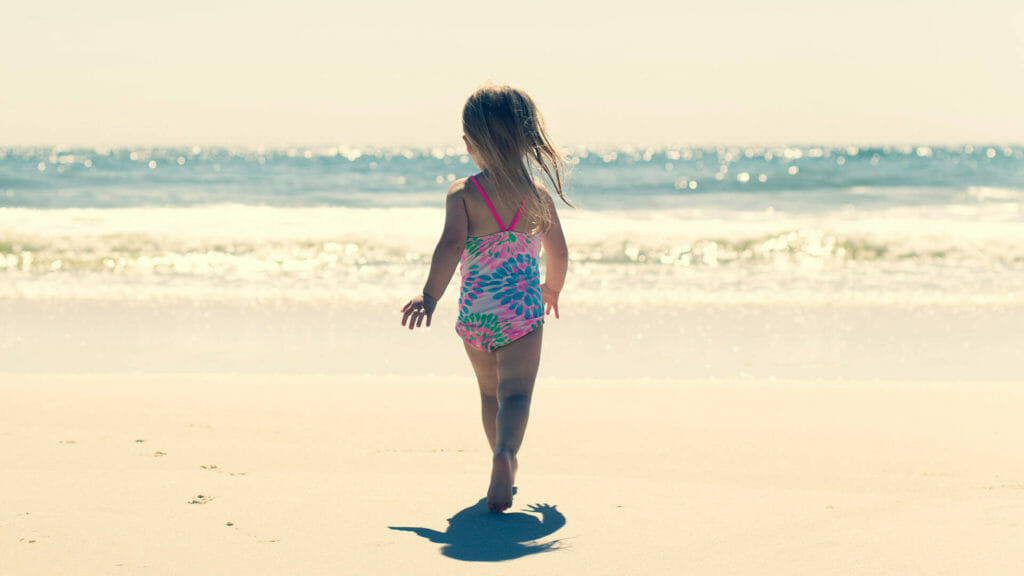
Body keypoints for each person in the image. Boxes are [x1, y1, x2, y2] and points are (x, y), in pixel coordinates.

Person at [401, 84, 571, 512]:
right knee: (517, 396)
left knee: (489, 395)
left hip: (476, 315)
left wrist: (429, 296)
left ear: (469, 143)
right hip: (522, 315)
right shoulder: (537, 195)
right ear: (529, 139)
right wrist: (552, 288)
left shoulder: (463, 192)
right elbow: (559, 252)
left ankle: (497, 454)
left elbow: (450, 246)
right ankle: (507, 455)